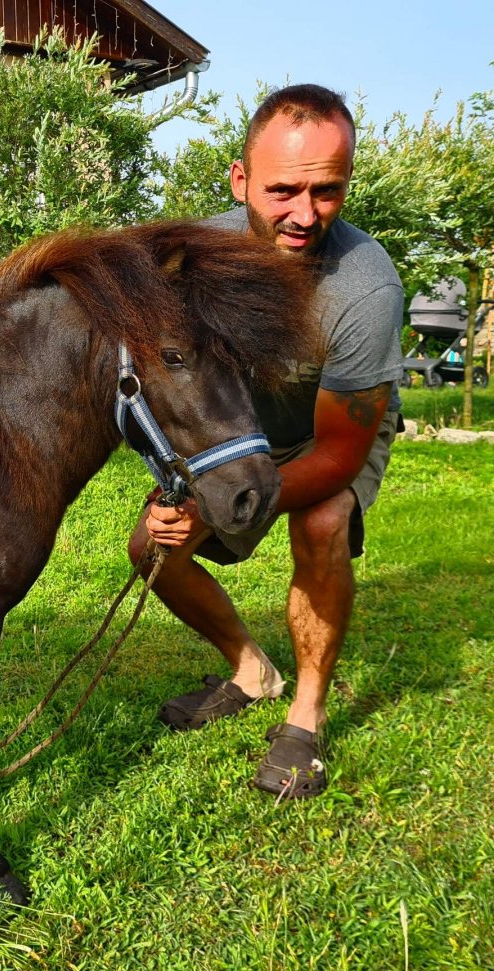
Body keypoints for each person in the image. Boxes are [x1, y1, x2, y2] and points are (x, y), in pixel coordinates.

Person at [127, 84, 404, 799]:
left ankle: (305, 719)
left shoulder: (365, 287)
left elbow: (340, 454)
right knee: (150, 550)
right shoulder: (192, 260)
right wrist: (178, 486)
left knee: (322, 518)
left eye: (328, 192)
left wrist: (235, 504)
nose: (305, 215)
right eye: (283, 190)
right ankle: (253, 671)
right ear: (239, 179)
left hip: (328, 432)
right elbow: (167, 385)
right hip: (239, 433)